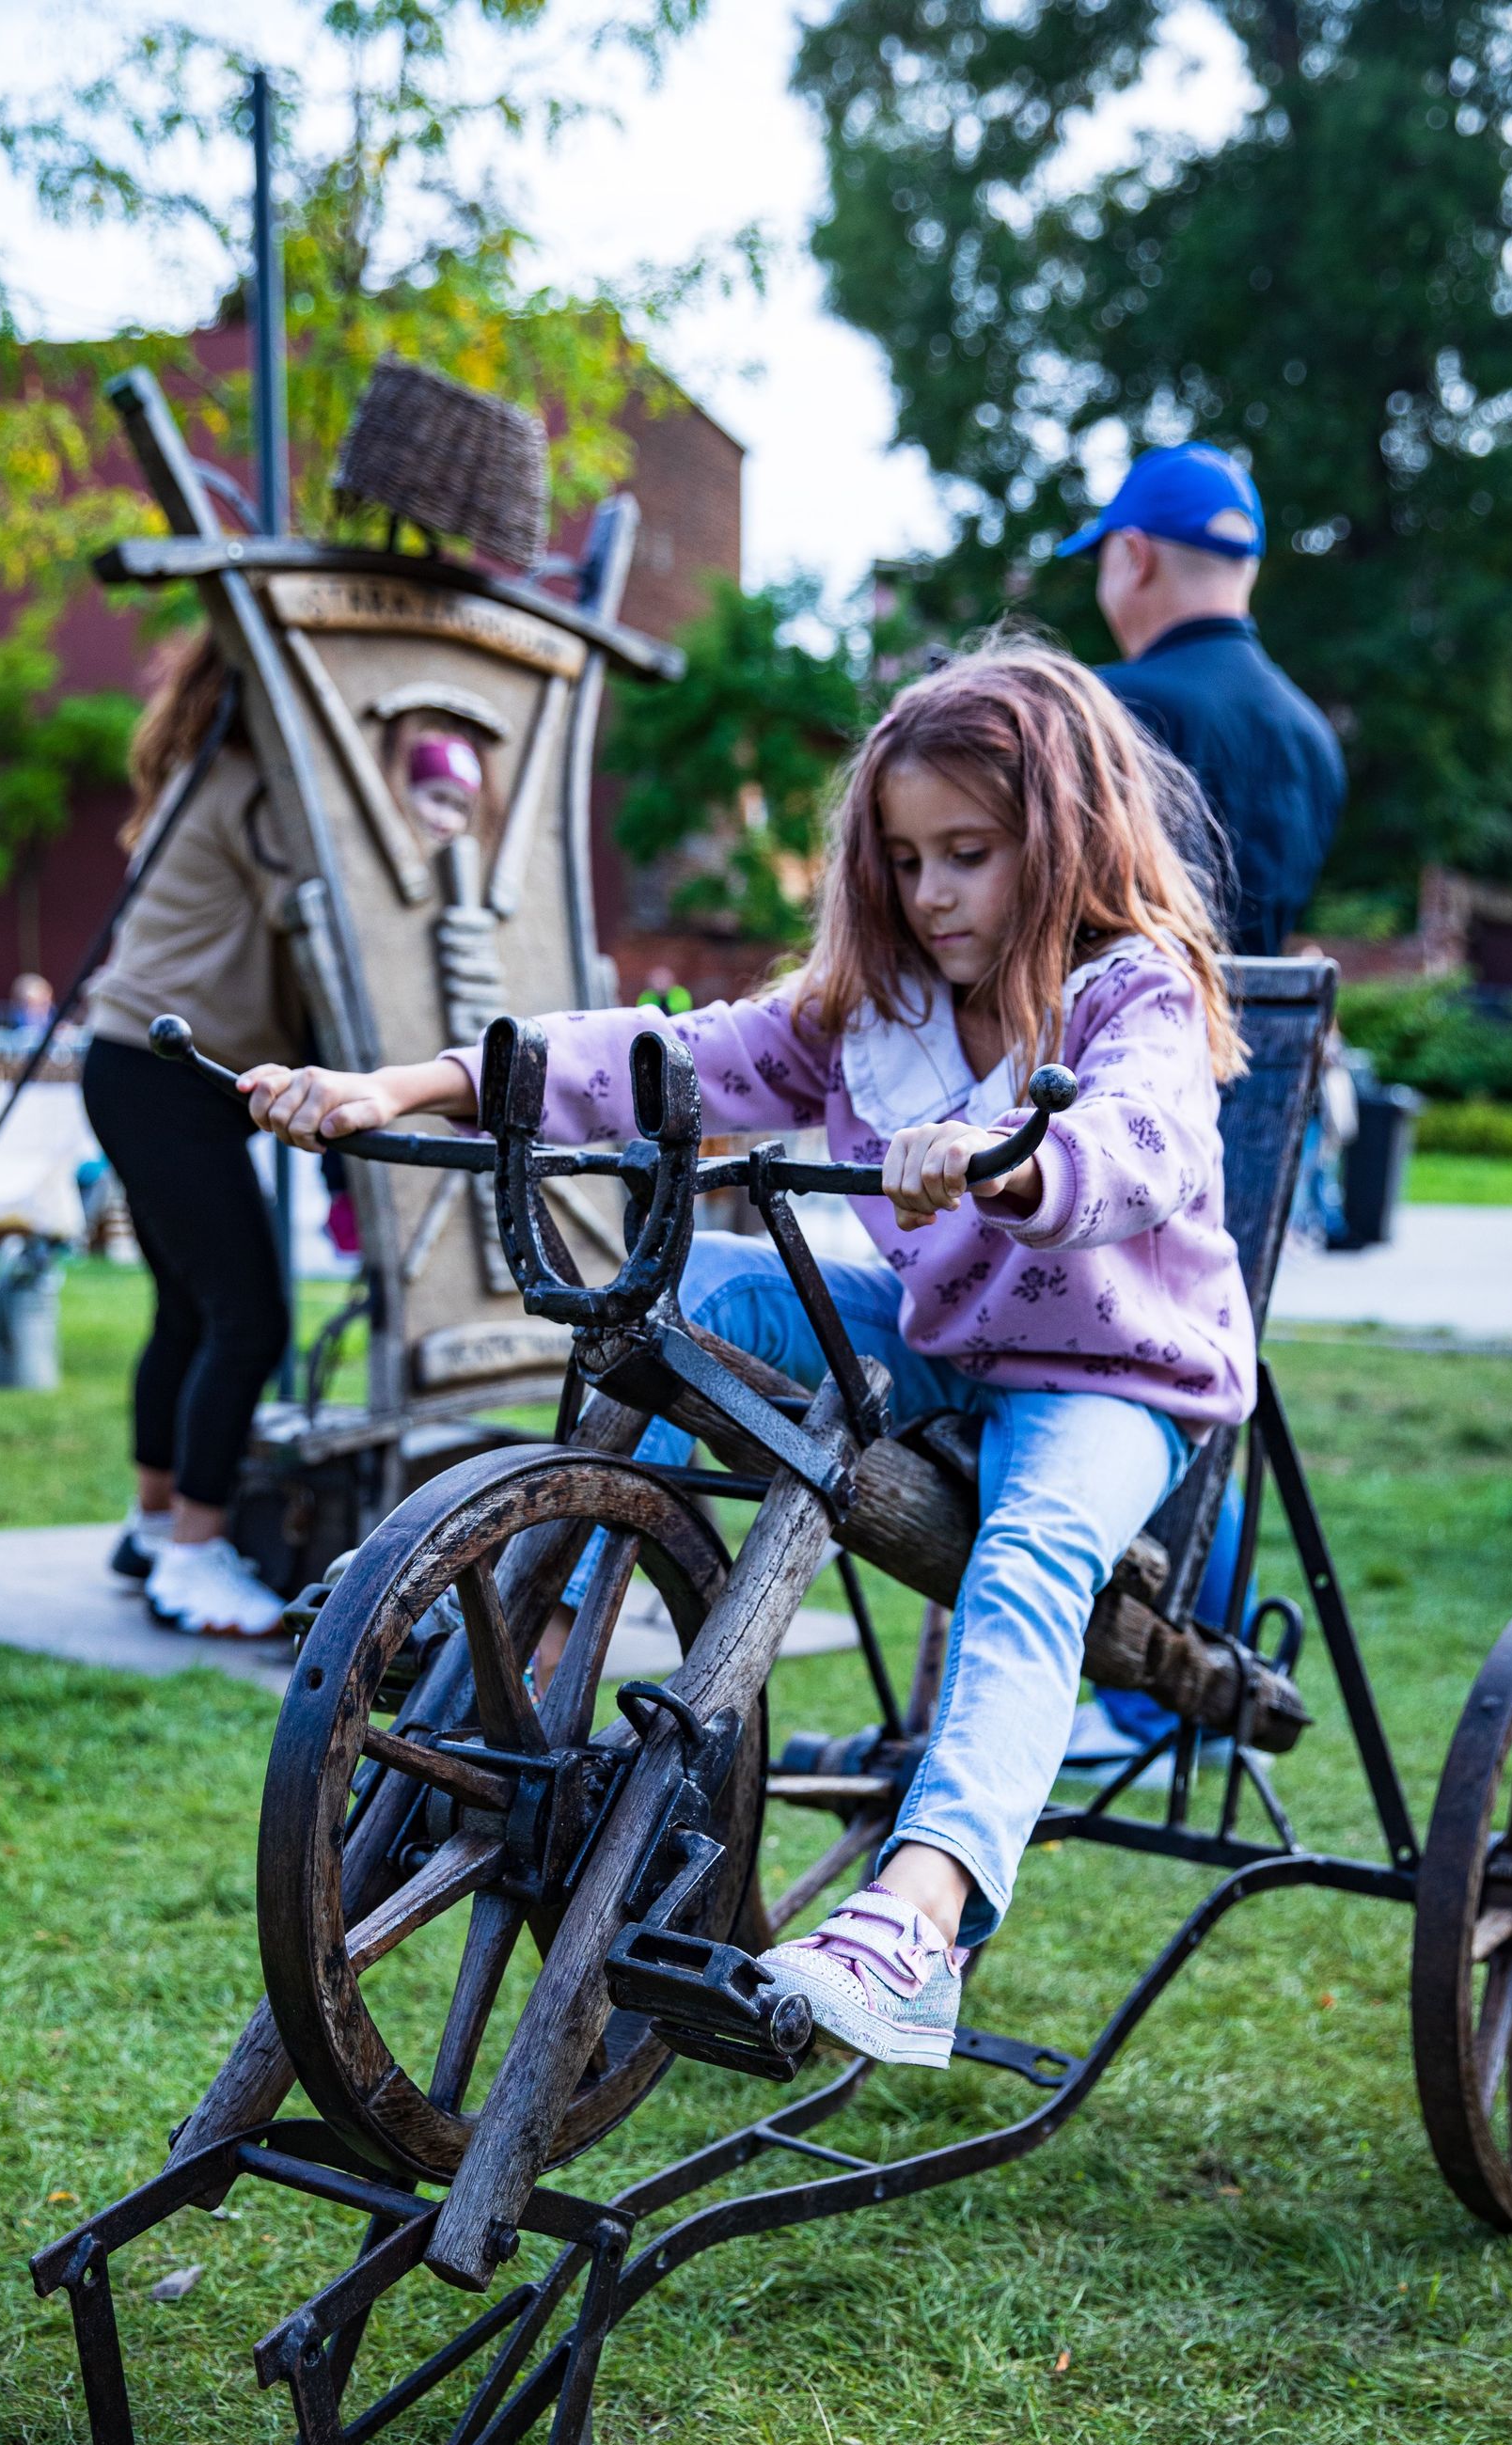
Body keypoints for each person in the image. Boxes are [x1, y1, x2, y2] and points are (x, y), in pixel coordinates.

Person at [240, 638, 1254, 2068]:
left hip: (1113, 1381)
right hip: (942, 1342)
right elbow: (659, 1057)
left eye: (969, 853)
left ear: (1066, 835)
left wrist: (1009, 1166)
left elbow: (1143, 1143)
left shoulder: (1127, 993)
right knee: (700, 1285)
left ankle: (917, 1914)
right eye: (904, 860)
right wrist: (404, 1086)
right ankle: (534, 1619)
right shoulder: (877, 1009)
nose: (932, 894)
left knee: (1027, 1566)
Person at [79, 631, 308, 1639]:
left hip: (137, 1064)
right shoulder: (258, 791)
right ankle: (193, 1554)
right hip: (161, 1072)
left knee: (189, 1311)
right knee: (248, 1318)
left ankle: (154, 1521)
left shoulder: (201, 768)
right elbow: (324, 934)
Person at [1057, 441, 1345, 958]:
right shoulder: (1314, 736)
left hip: (1120, 1032)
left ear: (1135, 557)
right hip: (1261, 1035)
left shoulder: (1100, 707)